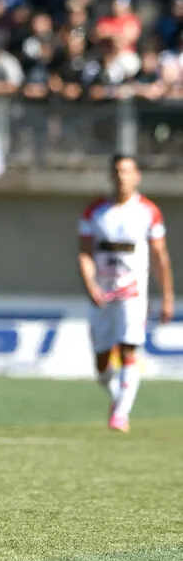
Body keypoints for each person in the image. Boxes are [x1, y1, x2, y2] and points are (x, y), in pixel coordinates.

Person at [78, 154, 174, 433]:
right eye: (118, 171)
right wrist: (91, 284)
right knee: (102, 363)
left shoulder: (148, 212)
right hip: (102, 294)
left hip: (133, 293)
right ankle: (117, 399)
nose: (122, 177)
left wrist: (167, 296)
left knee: (129, 349)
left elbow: (160, 257)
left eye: (127, 172)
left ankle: (120, 414)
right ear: (111, 175)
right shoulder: (95, 212)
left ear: (137, 176)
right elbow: (84, 252)